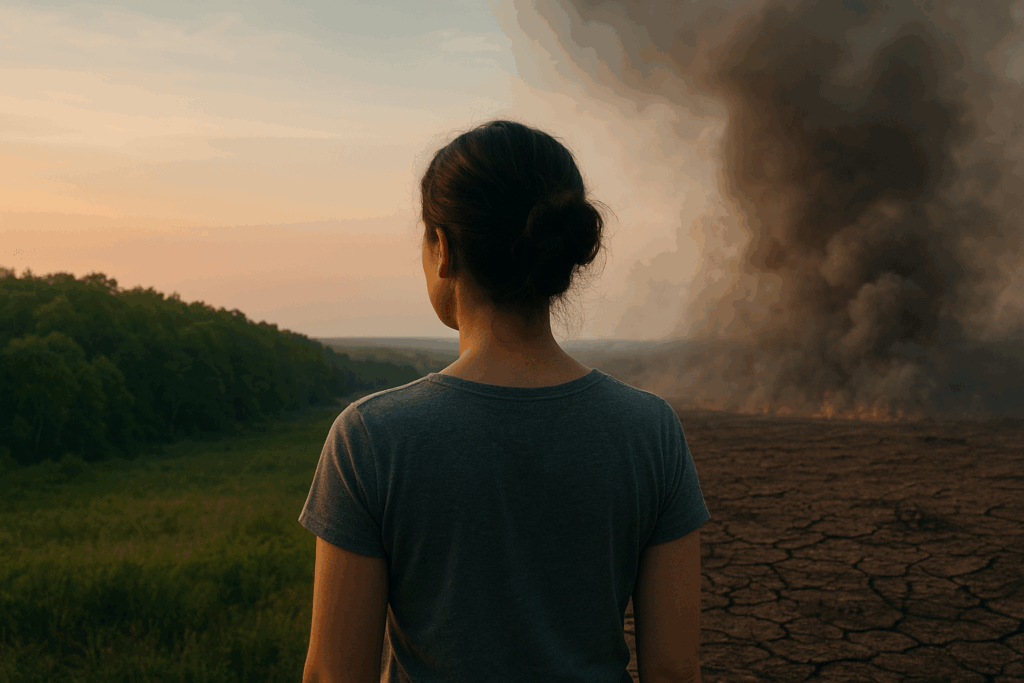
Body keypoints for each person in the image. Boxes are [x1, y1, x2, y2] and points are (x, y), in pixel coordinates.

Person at [299, 119, 710, 683]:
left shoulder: (370, 438)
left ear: (443, 249)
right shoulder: (650, 429)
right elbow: (674, 670)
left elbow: (334, 674)